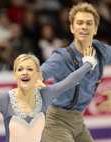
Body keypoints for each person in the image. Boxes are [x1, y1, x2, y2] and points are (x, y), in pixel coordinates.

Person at [0, 48, 96, 142]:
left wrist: (88, 64)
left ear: (37, 74)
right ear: (15, 75)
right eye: (20, 69)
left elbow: (70, 81)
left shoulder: (45, 95)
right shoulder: (4, 100)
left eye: (29, 69)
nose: (24, 73)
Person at [39, 2, 111, 142]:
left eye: (89, 23)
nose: (84, 26)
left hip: (78, 123)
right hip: (55, 123)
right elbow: (38, 74)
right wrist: (36, 82)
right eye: (80, 23)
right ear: (72, 28)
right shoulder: (61, 57)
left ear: (95, 29)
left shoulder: (101, 51)